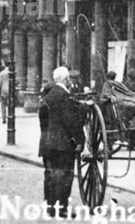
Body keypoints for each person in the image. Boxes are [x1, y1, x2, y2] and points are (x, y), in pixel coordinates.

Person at [38, 66, 87, 219]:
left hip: (47, 142)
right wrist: (79, 140)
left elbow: (42, 120)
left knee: (50, 175)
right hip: (63, 144)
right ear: (66, 80)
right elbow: (71, 122)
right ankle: (62, 208)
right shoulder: (64, 97)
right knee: (64, 176)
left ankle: (51, 207)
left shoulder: (47, 96)